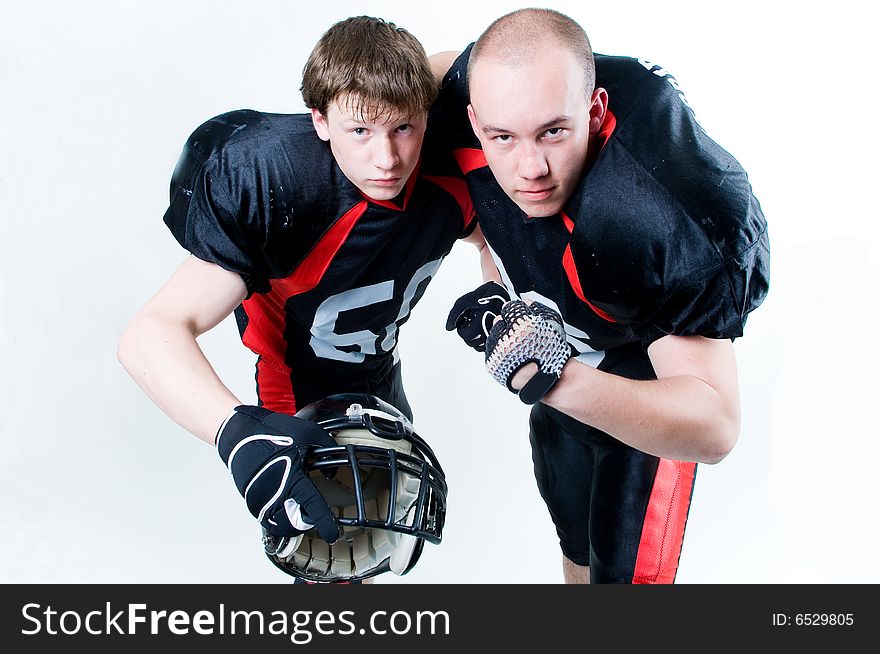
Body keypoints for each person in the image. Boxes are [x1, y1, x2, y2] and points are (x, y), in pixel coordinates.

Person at [117, 16, 484, 582]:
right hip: (296, 383)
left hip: (378, 368)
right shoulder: (276, 180)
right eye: (360, 131)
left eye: (403, 128)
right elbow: (151, 333)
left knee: (383, 538)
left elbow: (492, 229)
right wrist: (235, 431)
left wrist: (501, 292)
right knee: (328, 551)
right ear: (319, 121)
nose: (386, 158)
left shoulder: (454, 153)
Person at [433, 8, 770, 583]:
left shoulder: (659, 211)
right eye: (502, 138)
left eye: (554, 132)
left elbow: (716, 426)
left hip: (643, 387)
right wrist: (495, 270)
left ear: (595, 110)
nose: (530, 167)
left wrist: (551, 377)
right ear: (474, 118)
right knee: (578, 548)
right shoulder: (467, 95)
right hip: (562, 362)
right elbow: (424, 74)